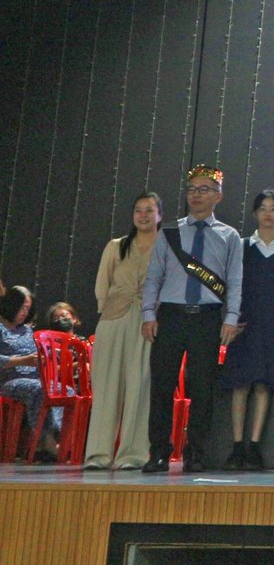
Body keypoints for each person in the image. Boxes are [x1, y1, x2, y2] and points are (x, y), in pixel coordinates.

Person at [140, 165, 244, 474]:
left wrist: (231, 317)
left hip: (207, 318)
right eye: (192, 189)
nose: (196, 195)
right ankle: (158, 452)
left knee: (202, 389)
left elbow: (235, 281)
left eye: (204, 190)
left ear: (218, 196)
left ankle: (195, 452)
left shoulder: (229, 236)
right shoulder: (170, 232)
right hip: (170, 315)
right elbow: (154, 276)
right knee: (162, 387)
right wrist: (148, 313)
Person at [220, 190, 274, 471]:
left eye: (273, 208)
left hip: (272, 323)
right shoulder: (242, 245)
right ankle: (236, 445)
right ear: (255, 213)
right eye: (263, 208)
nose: (268, 213)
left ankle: (254, 446)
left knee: (263, 384)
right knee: (240, 384)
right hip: (244, 321)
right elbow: (229, 283)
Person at [83, 192, 162, 470]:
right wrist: (107, 310)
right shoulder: (116, 246)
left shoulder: (165, 248)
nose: (143, 215)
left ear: (159, 215)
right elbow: (102, 285)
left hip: (148, 322)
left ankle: (132, 455)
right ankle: (98, 455)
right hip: (113, 319)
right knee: (106, 387)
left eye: (149, 210)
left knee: (140, 386)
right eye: (138, 210)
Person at [0, 286, 56, 460]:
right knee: (38, 389)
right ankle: (45, 442)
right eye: (22, 307)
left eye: (28, 308)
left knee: (63, 389)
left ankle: (58, 437)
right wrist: (22, 361)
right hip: (9, 380)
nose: (25, 312)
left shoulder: (27, 330)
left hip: (35, 377)